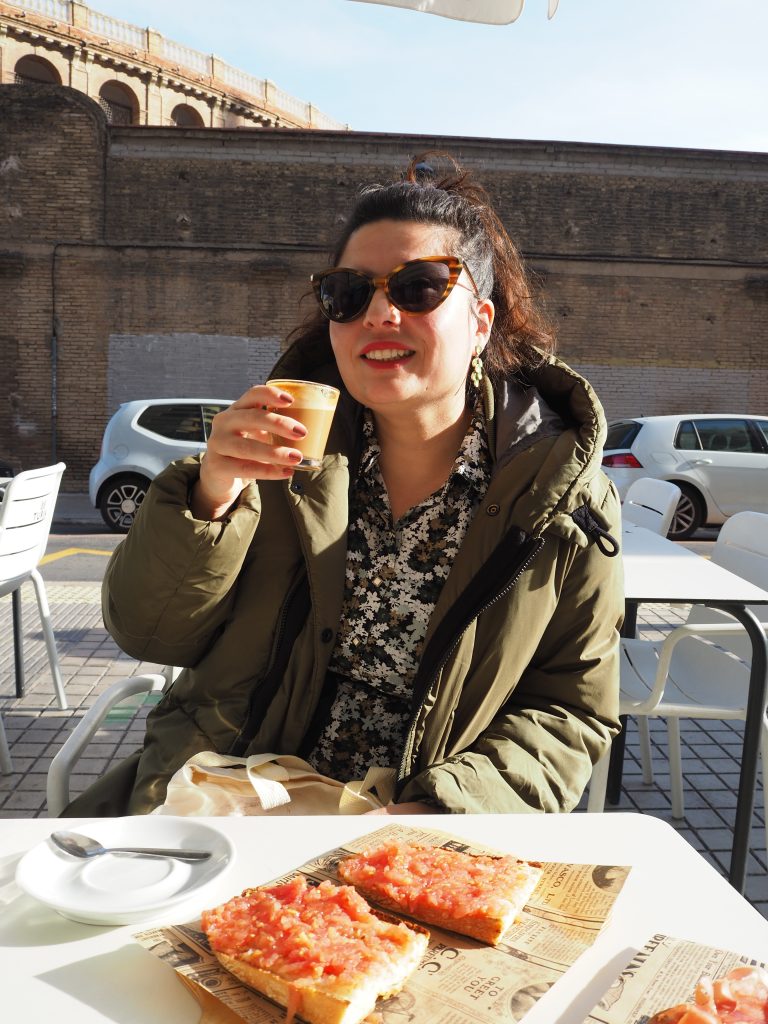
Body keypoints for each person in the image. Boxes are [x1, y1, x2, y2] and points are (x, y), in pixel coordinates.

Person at [66, 153, 623, 817]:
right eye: (349, 293)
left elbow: (570, 711)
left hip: (418, 831)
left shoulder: (562, 495)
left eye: (418, 287)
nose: (379, 314)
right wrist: (208, 498)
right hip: (228, 805)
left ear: (479, 322)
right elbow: (149, 634)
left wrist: (449, 808)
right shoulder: (273, 462)